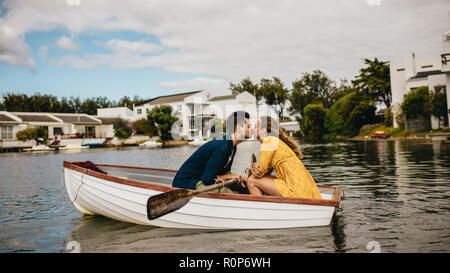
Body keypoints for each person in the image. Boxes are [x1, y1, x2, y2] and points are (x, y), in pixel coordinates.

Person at [242, 116, 322, 199]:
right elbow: (264, 172)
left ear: (263, 130)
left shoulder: (269, 140)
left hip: (294, 189)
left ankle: (261, 210)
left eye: (255, 127)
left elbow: (259, 172)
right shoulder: (275, 141)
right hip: (303, 189)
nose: (252, 129)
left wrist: (253, 167)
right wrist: (255, 167)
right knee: (262, 178)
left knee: (251, 181)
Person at [172, 111, 250, 192]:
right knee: (225, 191)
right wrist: (232, 176)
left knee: (244, 186)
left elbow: (224, 173)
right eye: (248, 126)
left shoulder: (232, 147)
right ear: (238, 127)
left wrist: (239, 177)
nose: (251, 129)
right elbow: (208, 180)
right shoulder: (221, 147)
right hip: (187, 182)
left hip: (203, 178)